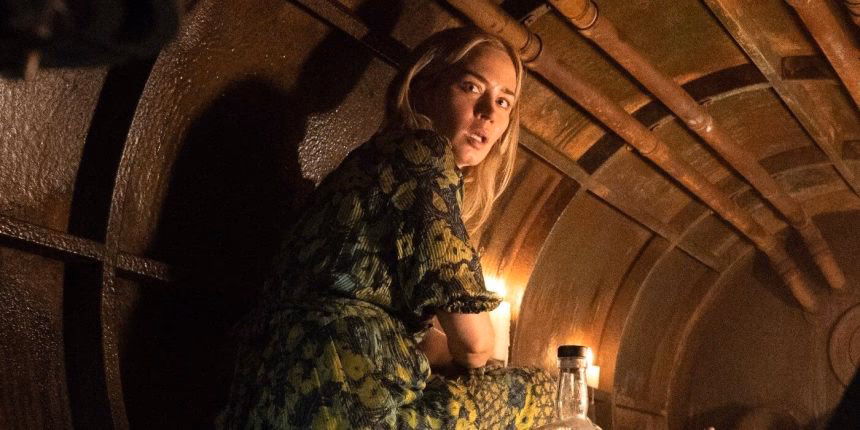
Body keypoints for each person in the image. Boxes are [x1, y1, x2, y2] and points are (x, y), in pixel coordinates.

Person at [216, 26, 556, 429]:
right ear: (424, 88)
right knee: (542, 390)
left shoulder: (369, 162)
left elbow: (418, 337)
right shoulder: (423, 152)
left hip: (268, 390)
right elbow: (474, 343)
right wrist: (478, 358)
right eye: (471, 87)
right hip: (346, 395)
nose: (489, 112)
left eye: (503, 101)